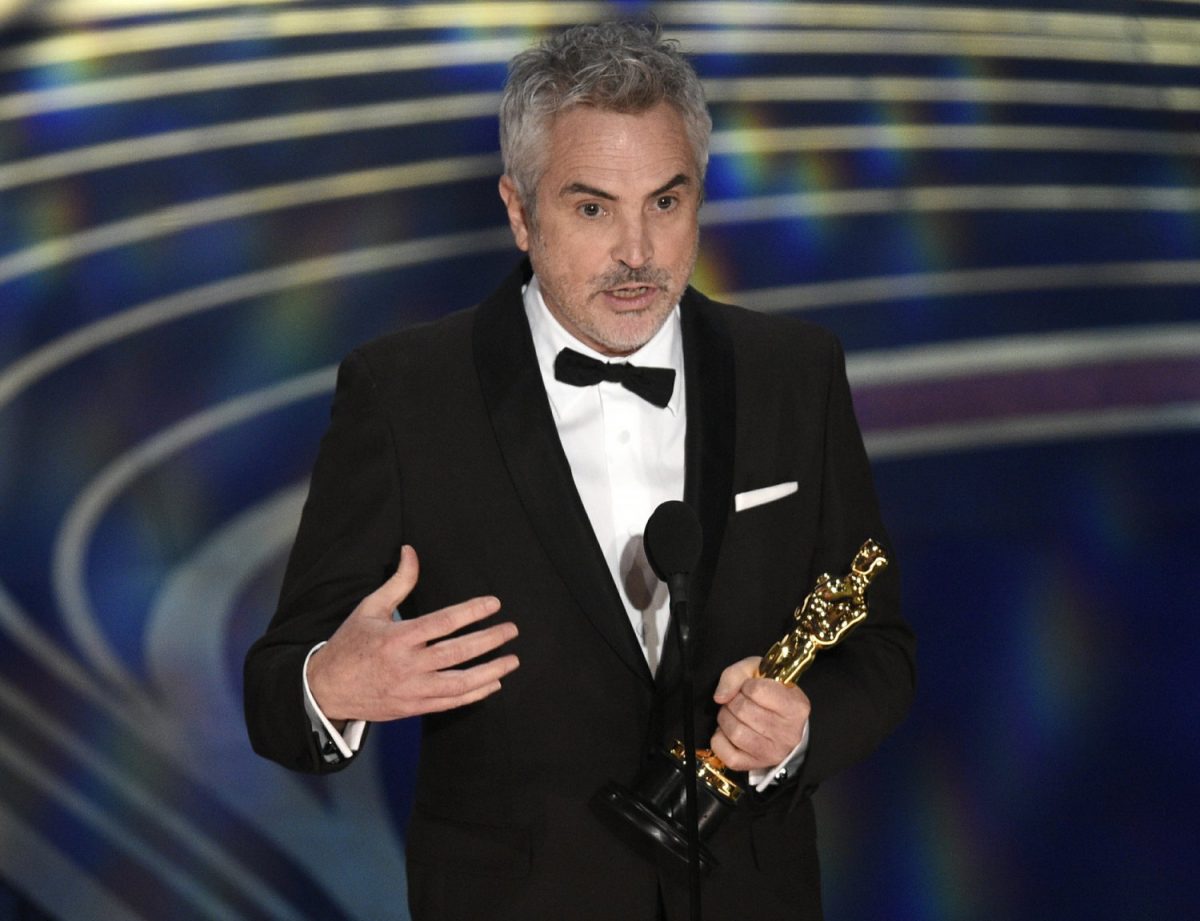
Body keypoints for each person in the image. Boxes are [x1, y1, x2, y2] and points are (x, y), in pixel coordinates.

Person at [244, 21, 915, 921]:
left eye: (665, 203)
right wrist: (331, 683)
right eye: (593, 208)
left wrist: (800, 732)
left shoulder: (794, 372)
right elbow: (274, 691)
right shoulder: (405, 395)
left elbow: (879, 649)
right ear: (520, 212)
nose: (637, 251)